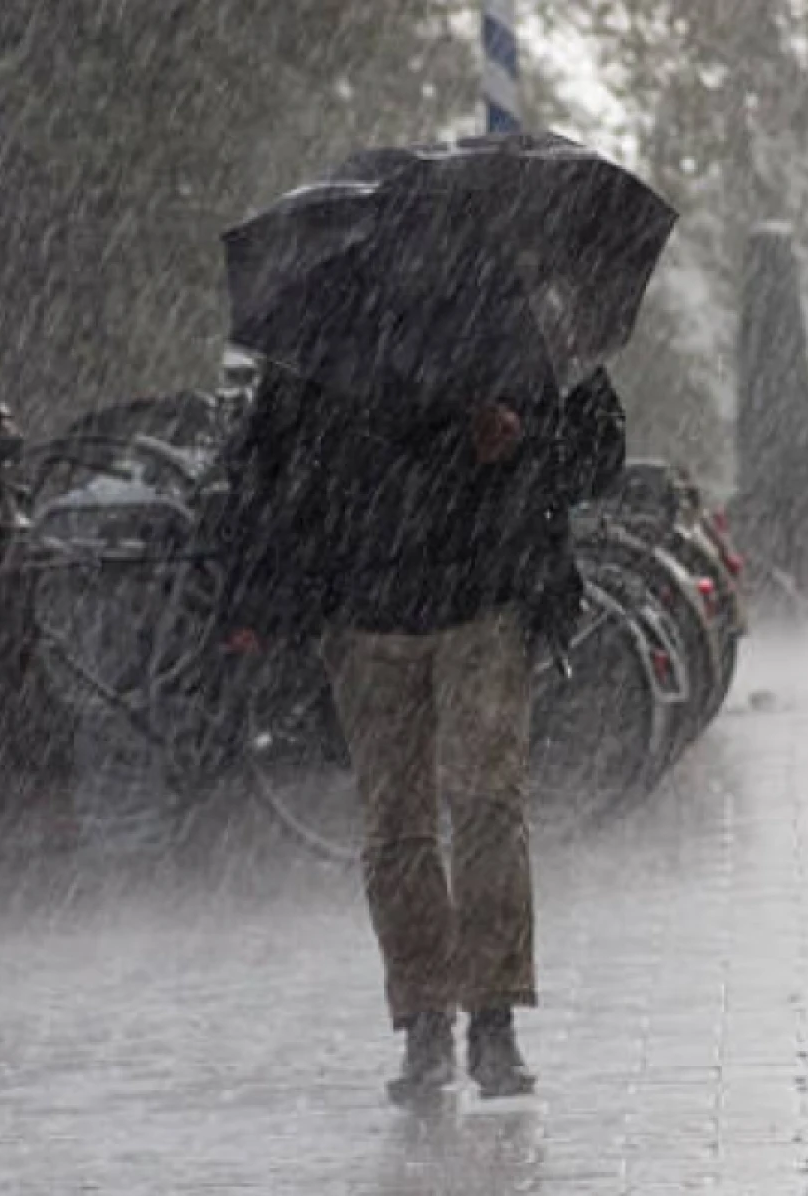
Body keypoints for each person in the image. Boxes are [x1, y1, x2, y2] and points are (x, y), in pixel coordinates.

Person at [219, 361, 625, 1103]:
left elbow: (597, 453)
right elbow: (271, 462)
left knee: (484, 805)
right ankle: (427, 1020)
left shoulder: (514, 329)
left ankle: (491, 1018)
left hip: (483, 595)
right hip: (369, 609)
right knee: (399, 822)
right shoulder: (332, 338)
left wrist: (524, 440)